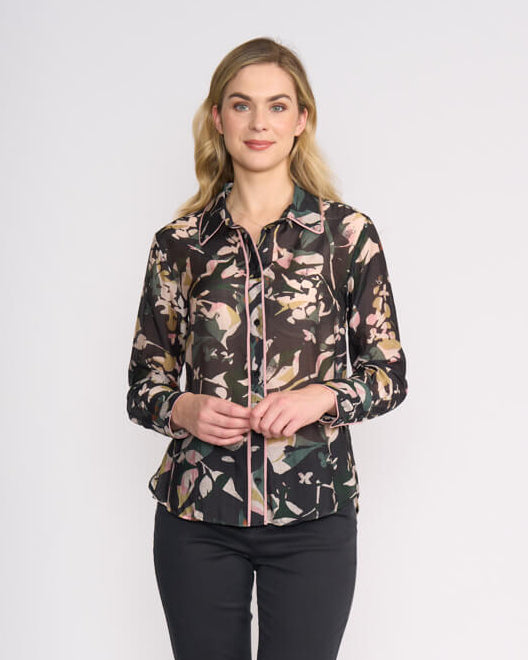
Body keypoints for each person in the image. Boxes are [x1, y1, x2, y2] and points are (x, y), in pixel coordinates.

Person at [126, 36, 407, 660]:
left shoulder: (346, 236)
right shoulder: (179, 244)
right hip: (197, 516)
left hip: (314, 514)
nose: (259, 123)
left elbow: (388, 373)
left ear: (301, 119)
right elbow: (144, 384)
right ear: (218, 118)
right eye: (241, 105)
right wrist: (182, 408)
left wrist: (322, 397)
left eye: (277, 106)